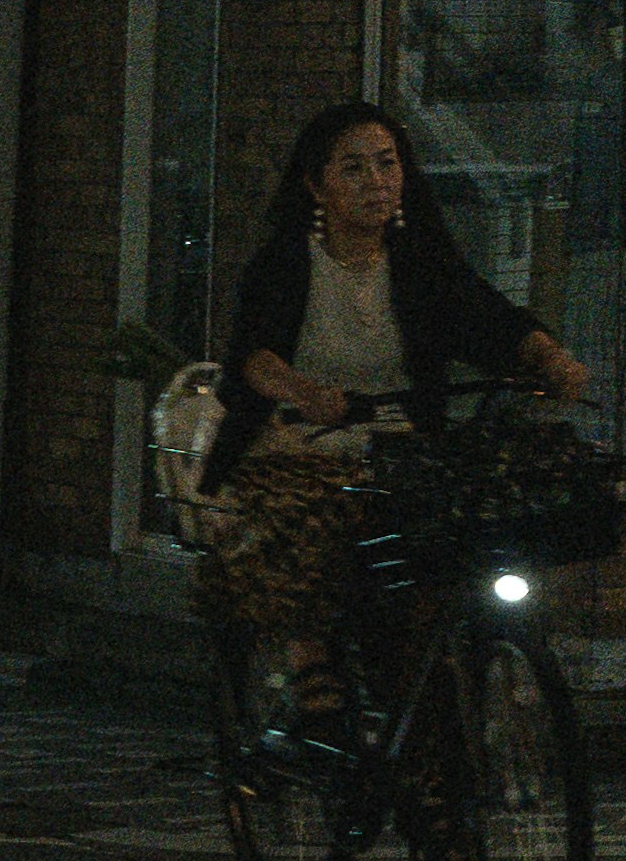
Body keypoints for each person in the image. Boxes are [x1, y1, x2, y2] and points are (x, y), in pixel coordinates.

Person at [200, 100, 589, 738]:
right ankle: (310, 668)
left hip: (399, 449)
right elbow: (254, 356)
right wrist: (304, 391)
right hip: (300, 443)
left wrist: (547, 357)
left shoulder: (419, 264)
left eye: (387, 164)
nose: (376, 182)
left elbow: (486, 316)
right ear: (316, 184)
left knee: (458, 538)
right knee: (304, 521)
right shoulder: (286, 265)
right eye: (353, 169)